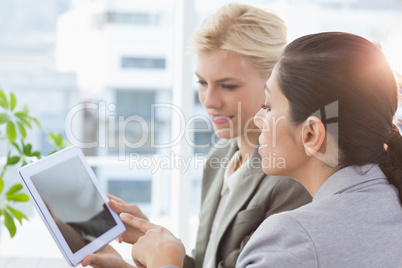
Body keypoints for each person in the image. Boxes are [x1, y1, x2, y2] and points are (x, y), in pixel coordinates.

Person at [115, 32, 402, 267]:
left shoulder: (292, 236)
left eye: (267, 106)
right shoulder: (389, 201)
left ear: (312, 133)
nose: (258, 118)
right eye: (202, 82)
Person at [82, 3, 311, 268]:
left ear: (275, 82)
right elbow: (209, 264)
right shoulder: (220, 157)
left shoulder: (293, 177)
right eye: (202, 82)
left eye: (227, 85)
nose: (209, 101)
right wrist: (152, 240)